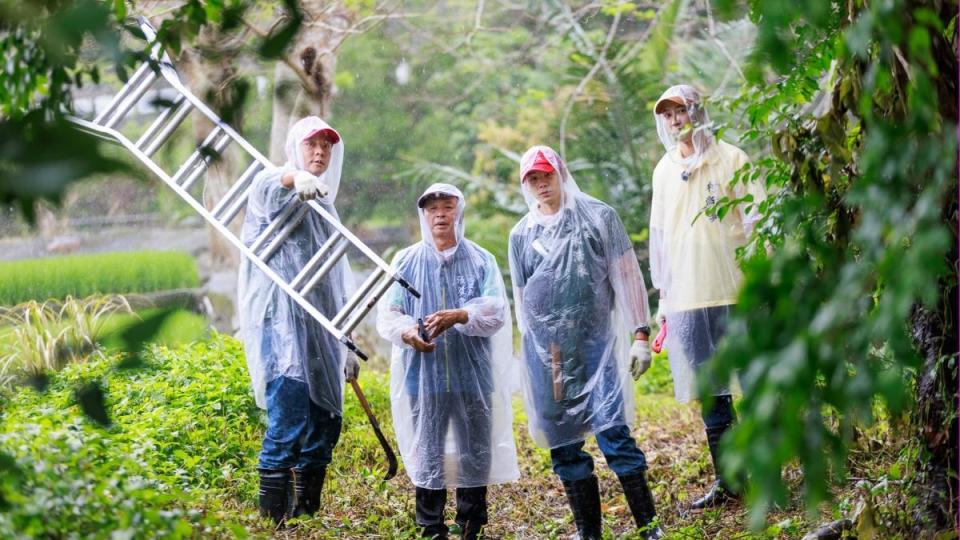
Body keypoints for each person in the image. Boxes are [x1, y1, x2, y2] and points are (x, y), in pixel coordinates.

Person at [508, 146, 663, 539]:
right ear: (525, 184)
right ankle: (589, 532)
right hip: (551, 357)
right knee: (564, 443)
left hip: (597, 347)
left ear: (561, 173)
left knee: (613, 433)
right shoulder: (522, 235)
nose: (541, 184)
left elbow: (627, 276)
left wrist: (639, 334)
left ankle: (650, 528)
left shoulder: (598, 217)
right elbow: (523, 300)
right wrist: (532, 359)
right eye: (533, 179)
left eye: (547, 175)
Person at [377, 183, 519, 539]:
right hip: (423, 378)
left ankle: (471, 522)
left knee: (475, 449)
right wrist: (409, 332)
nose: (440, 213)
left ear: (460, 211)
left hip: (473, 378)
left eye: (448, 206)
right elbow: (389, 313)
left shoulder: (480, 259)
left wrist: (460, 315)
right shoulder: (406, 261)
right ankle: (431, 525)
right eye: (432, 208)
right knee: (428, 448)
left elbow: (496, 312)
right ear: (423, 215)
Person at [238, 116, 360, 524]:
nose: (319, 153)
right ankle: (273, 521)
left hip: (321, 331)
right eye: (311, 145)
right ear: (295, 148)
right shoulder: (272, 186)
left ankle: (305, 515)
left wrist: (347, 339)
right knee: (289, 418)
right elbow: (268, 188)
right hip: (280, 327)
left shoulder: (326, 204)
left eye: (326, 146)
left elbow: (337, 277)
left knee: (326, 421)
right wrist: (293, 177)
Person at [649, 84, 765, 509]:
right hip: (687, 301)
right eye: (668, 115)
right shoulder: (663, 171)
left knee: (755, 386)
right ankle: (730, 483)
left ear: (699, 112)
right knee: (712, 397)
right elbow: (660, 240)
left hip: (736, 292)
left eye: (682, 111)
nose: (676, 120)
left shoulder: (732, 159)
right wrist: (664, 301)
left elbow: (756, 225)